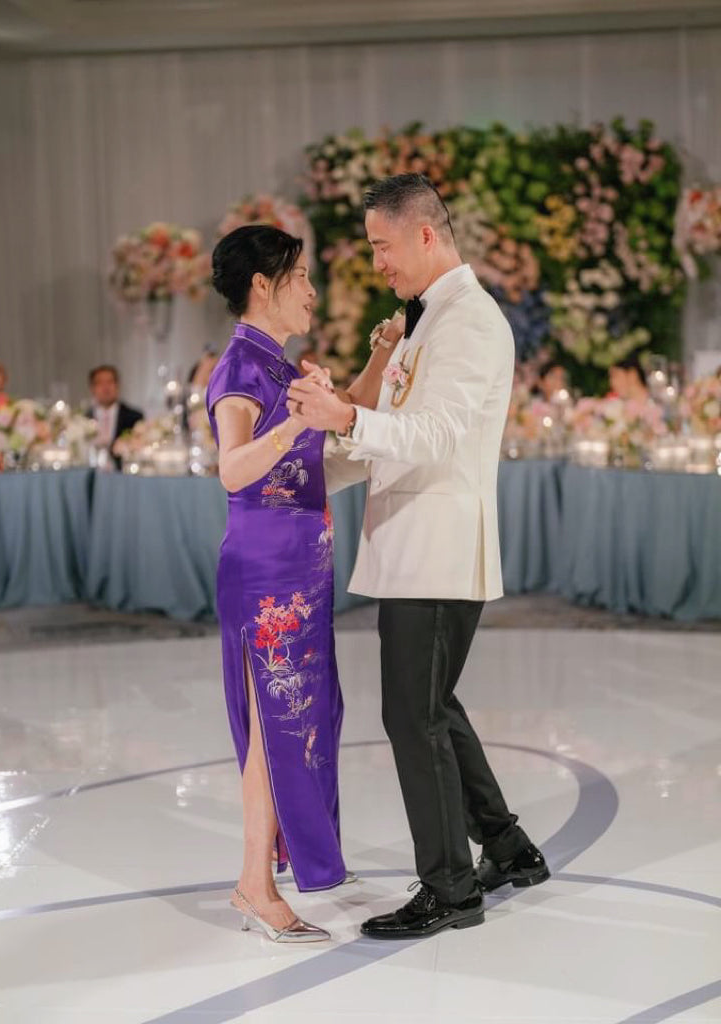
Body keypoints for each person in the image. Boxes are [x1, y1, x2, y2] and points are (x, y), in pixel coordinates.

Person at [287, 173, 549, 940]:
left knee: (413, 716)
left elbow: (436, 437)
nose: (377, 263)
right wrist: (320, 457)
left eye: (382, 246)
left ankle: (450, 888)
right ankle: (505, 846)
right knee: (433, 708)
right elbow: (391, 432)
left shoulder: (468, 322)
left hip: (437, 546)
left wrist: (348, 419)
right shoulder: (426, 320)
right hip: (412, 544)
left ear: (425, 235)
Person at [206, 224, 402, 943]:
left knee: (295, 723)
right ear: (264, 285)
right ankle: (255, 885)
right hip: (264, 574)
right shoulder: (238, 371)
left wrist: (380, 355)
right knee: (272, 729)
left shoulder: (282, 368)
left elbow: (341, 417)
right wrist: (290, 423)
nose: (314, 293)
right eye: (302, 279)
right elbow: (232, 470)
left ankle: (261, 877)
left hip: (301, 569)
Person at [86, 365, 143, 466]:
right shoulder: (83, 419)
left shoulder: (134, 417)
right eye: (100, 383)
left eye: (110, 382)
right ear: (92, 388)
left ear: (117, 386)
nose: (105, 387)